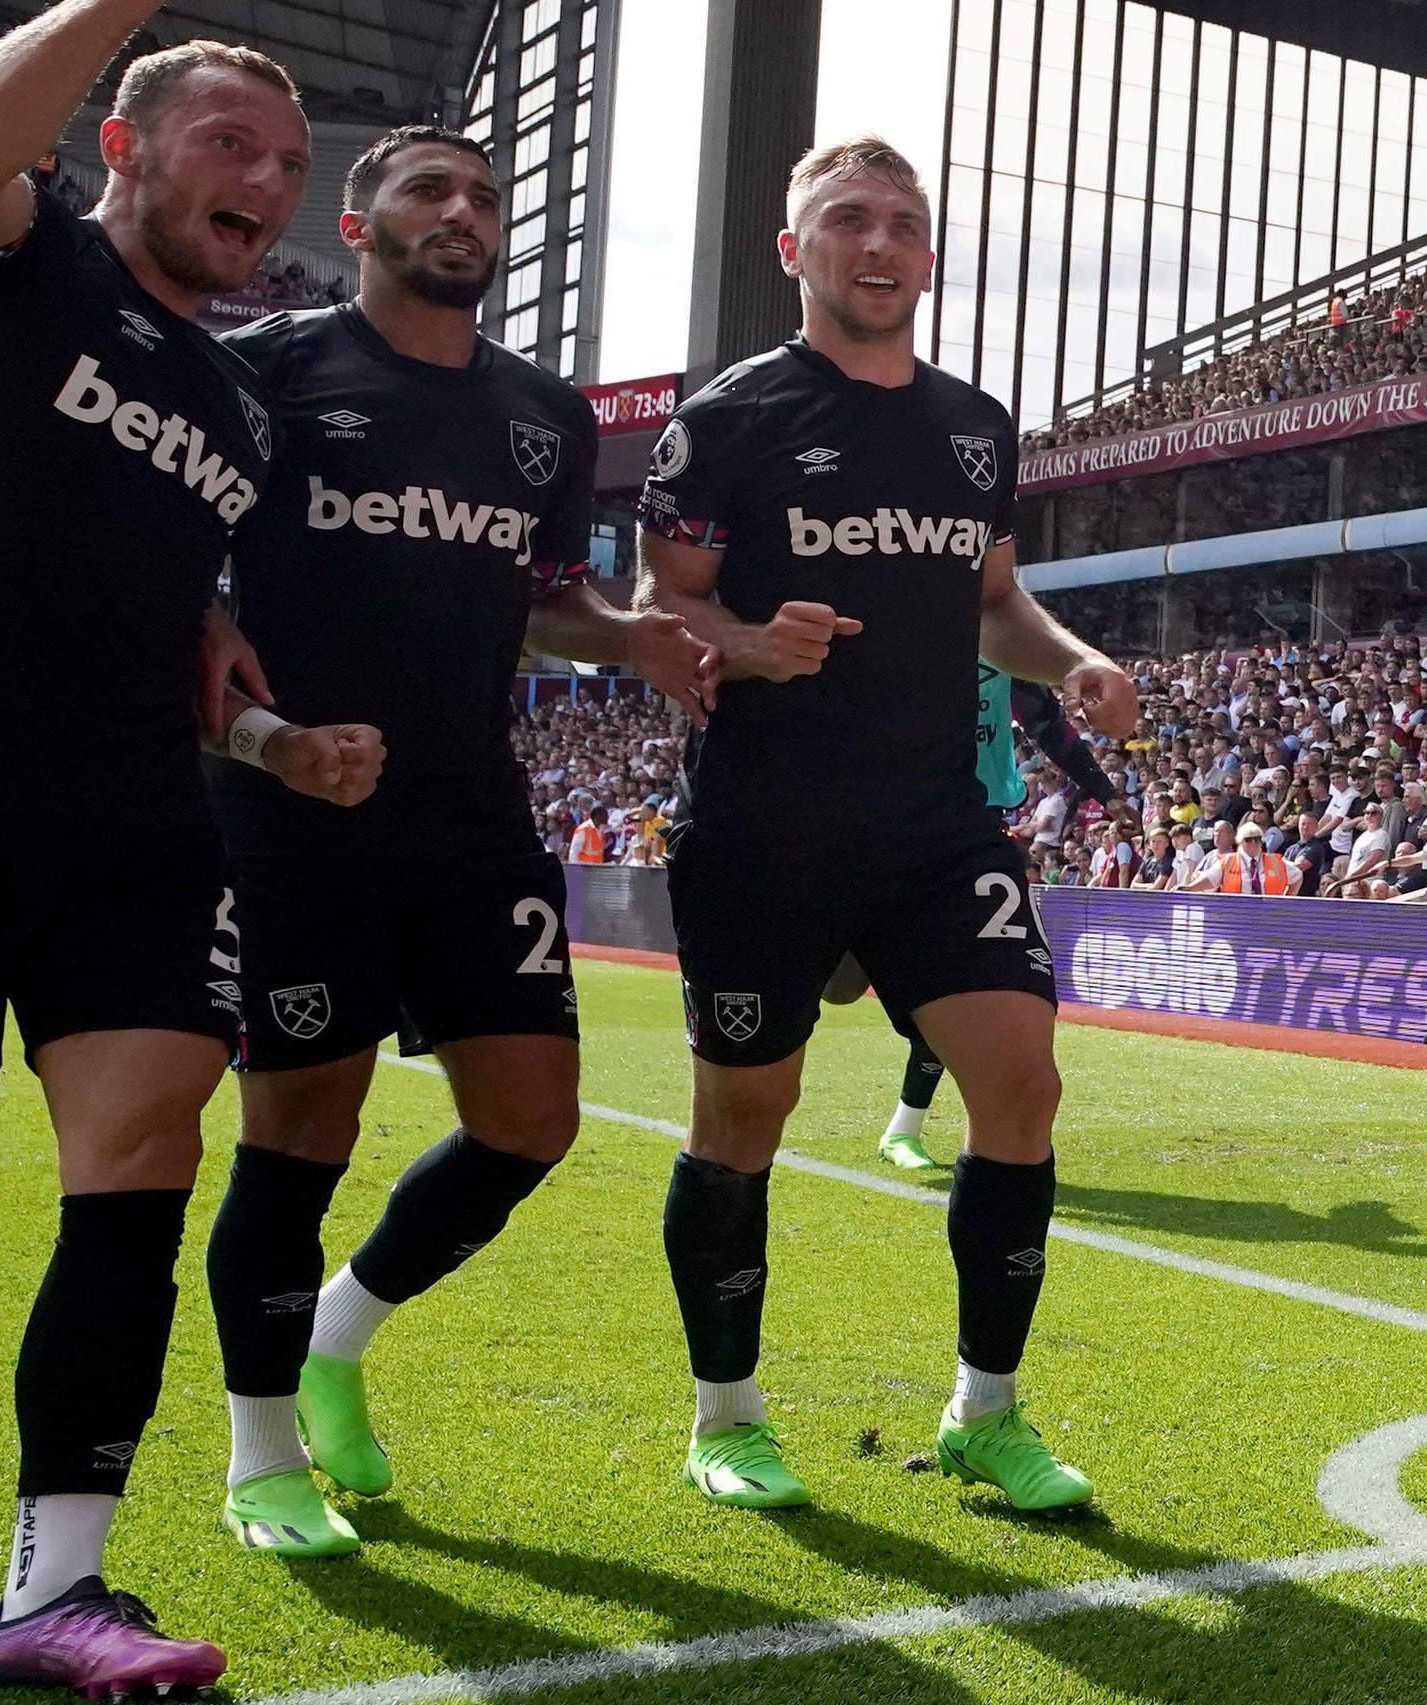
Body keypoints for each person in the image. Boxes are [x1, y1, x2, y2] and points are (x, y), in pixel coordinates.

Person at [0, 0, 384, 1693]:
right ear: (122, 147)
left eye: (292, 161)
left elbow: (169, 637)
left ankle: (56, 1588)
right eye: (231, 139)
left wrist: (267, 741)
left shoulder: (234, 414)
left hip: (136, 833)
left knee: (143, 1151)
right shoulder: (6, 260)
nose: (271, 178)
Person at [199, 126, 716, 1560]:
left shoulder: (544, 416)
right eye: (429, 189)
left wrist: (629, 638)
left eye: (485, 196)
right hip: (297, 806)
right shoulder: (275, 370)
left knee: (530, 1121)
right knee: (300, 1134)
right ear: (355, 220)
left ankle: (336, 1338)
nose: (462, 212)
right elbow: (183, 547)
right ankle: (260, 1450)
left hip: (473, 814)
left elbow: (541, 598)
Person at [634, 135, 1139, 1519]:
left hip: (936, 820)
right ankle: (727, 1414)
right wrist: (744, 638)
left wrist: (1075, 661)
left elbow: (994, 605)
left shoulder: (976, 425)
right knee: (748, 1111)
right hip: (764, 819)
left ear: (928, 256)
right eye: (847, 221)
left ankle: (987, 1411)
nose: (879, 244)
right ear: (795, 251)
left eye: (903, 224)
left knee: (1023, 1087)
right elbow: (657, 605)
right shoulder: (725, 419)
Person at [886, 671, 1111, 1173]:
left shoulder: (1002, 647)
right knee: (837, 985)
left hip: (977, 833)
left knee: (973, 989)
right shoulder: (900, 631)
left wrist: (1105, 790)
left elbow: (1050, 724)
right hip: (888, 826)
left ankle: (906, 1130)